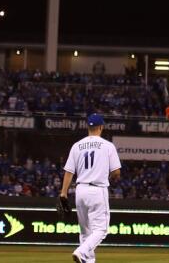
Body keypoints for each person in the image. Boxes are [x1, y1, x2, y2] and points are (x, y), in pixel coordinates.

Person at [59, 113, 122, 263]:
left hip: (80, 190)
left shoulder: (77, 145)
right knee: (101, 230)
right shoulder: (108, 146)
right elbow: (116, 172)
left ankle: (87, 260)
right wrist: (108, 176)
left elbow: (69, 171)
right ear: (101, 127)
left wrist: (63, 193)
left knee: (85, 232)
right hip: (97, 190)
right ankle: (80, 251)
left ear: (88, 127)